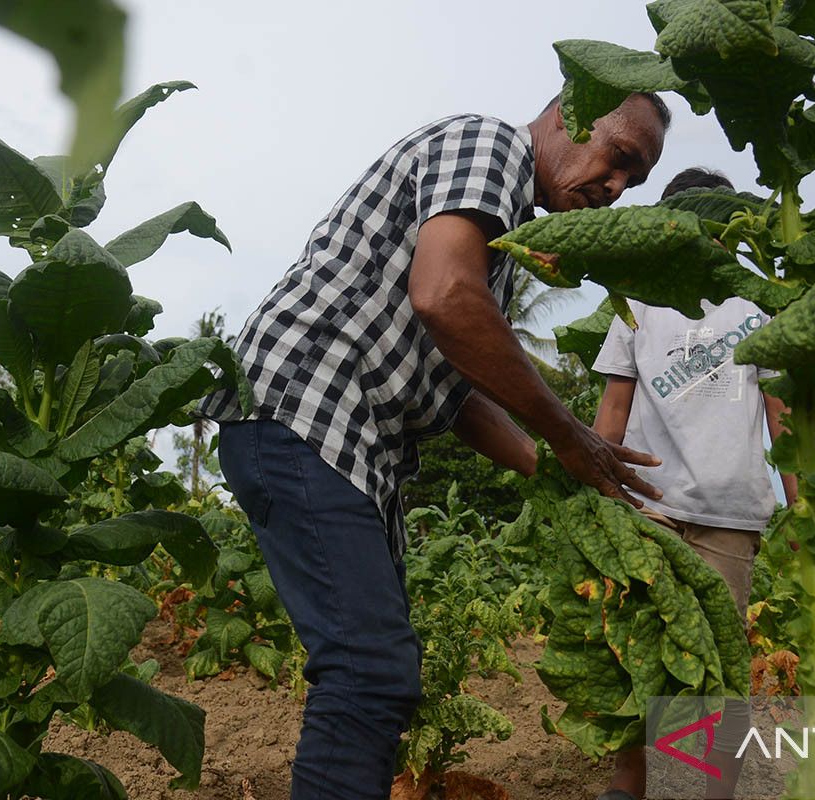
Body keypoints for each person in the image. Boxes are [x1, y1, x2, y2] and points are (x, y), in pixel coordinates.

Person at [197, 93, 672, 799]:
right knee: (369, 673)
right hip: (303, 408)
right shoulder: (490, 146)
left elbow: (460, 389)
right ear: (571, 113)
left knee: (375, 675)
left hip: (339, 438)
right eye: (620, 158)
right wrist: (571, 434)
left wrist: (560, 472)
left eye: (634, 181)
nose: (616, 187)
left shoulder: (501, 244)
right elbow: (445, 297)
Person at [592, 168, 797, 800]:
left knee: (722, 661)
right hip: (647, 510)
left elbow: (781, 412)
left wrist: (802, 510)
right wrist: (602, 500)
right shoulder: (638, 304)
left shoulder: (757, 301)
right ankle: (629, 785)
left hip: (729, 512)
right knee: (634, 648)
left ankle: (716, 791)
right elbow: (612, 412)